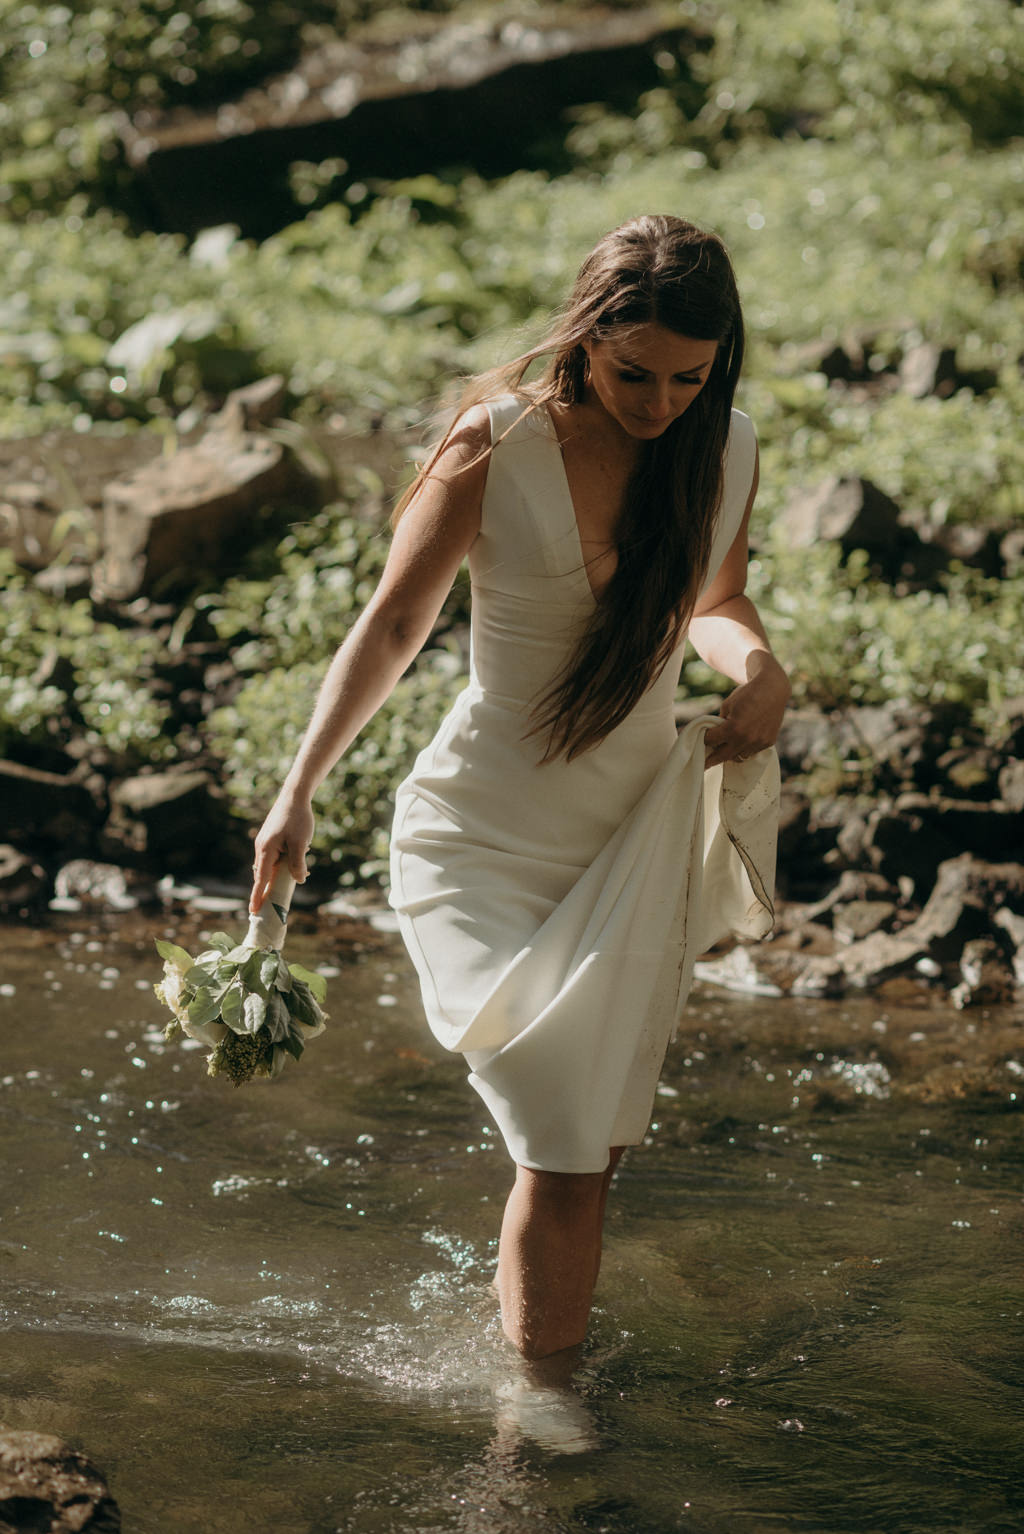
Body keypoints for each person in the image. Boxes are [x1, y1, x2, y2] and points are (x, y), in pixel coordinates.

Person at [250, 214, 790, 1364]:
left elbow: (716, 603)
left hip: (631, 840)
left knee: (590, 1150)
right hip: (481, 840)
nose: (660, 404)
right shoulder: (492, 442)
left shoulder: (727, 446)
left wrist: (756, 667)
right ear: (587, 337)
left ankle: (540, 1384)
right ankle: (538, 1416)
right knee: (557, 1128)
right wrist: (297, 790)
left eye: (690, 378)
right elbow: (394, 623)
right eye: (634, 372)